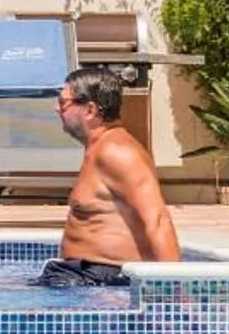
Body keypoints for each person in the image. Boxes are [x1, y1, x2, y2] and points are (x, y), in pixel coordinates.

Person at [39, 64, 181, 287]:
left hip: (100, 280)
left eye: (63, 103)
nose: (56, 109)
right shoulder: (99, 148)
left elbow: (157, 220)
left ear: (90, 110)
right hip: (83, 277)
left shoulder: (117, 152)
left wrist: (175, 290)